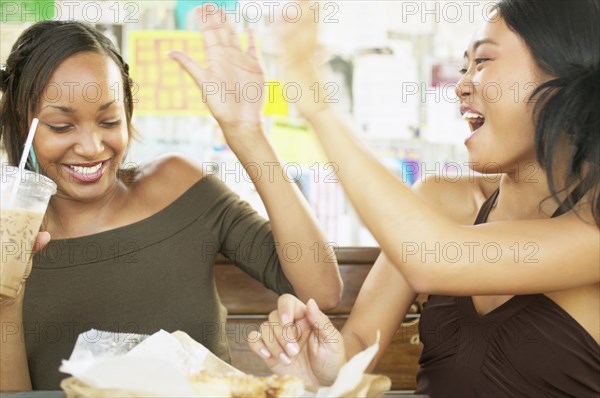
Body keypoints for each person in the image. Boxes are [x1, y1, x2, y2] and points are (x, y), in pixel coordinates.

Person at [245, 0, 600, 396]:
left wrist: (316, 100)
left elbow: (435, 257)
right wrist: (321, 367)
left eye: (482, 61)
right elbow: (360, 341)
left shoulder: (593, 226)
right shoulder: (441, 201)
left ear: (566, 72)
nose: (462, 85)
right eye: (463, 67)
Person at [0, 6, 344, 391]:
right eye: (61, 126)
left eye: (109, 121)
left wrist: (246, 132)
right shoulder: (7, 241)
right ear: (19, 121)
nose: (92, 146)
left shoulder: (180, 187)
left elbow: (322, 289)